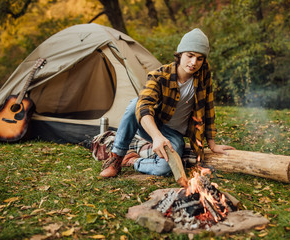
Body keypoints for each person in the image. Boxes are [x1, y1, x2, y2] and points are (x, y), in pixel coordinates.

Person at [100, 28, 235, 178]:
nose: (193, 62)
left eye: (199, 58)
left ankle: (132, 161)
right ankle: (116, 158)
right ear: (180, 54)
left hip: (174, 134)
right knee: (135, 104)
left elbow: (208, 107)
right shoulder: (160, 76)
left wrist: (212, 144)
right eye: (189, 56)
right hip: (153, 126)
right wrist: (157, 137)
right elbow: (144, 105)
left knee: (164, 169)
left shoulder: (203, 73)